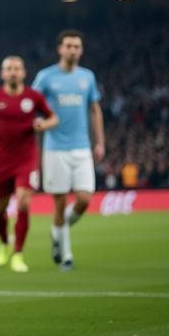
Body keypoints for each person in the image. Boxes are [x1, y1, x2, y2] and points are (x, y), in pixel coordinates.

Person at [0, 56, 58, 273]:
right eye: (9, 69)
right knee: (0, 209)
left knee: (24, 203)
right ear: (3, 73)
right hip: (2, 160)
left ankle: (18, 253)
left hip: (27, 159)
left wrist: (43, 123)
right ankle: (5, 244)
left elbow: (53, 118)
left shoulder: (33, 97)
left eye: (17, 68)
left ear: (24, 72)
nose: (13, 72)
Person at [32, 30, 105, 271]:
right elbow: (31, 103)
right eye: (69, 46)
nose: (73, 50)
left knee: (84, 199)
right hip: (55, 149)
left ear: (81, 50)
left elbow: (94, 109)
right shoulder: (46, 77)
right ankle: (66, 255)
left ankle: (57, 231)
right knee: (60, 204)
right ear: (60, 49)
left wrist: (100, 142)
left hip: (82, 147)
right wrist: (36, 122)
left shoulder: (87, 77)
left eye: (77, 46)